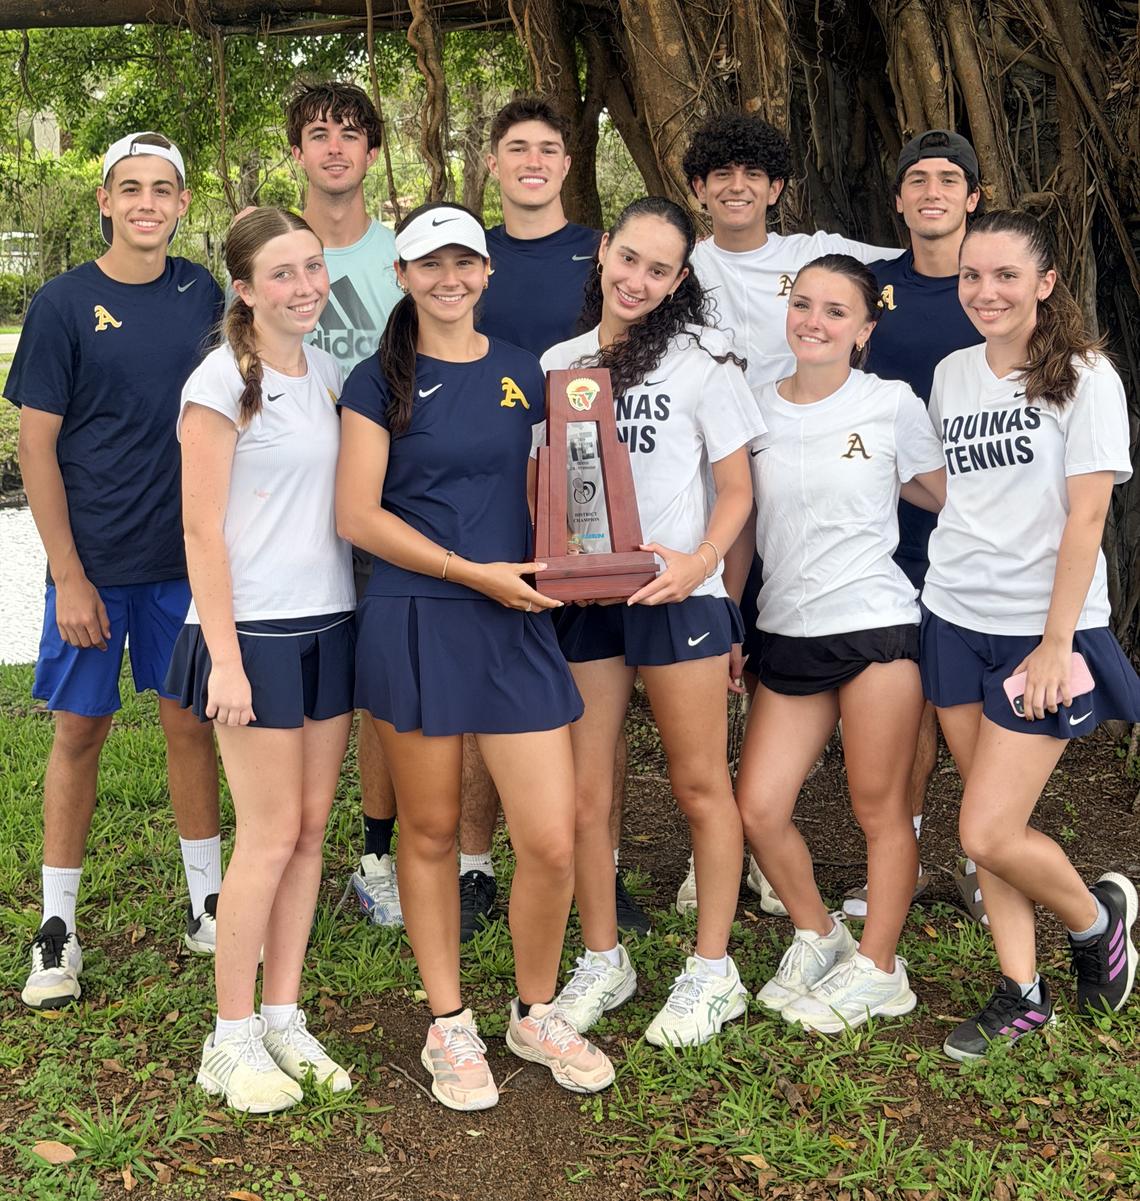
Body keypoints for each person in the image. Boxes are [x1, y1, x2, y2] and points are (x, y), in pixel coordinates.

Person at [336, 201, 614, 1110]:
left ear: (486, 272)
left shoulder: (521, 374)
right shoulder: (377, 380)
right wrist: (472, 572)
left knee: (550, 835)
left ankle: (533, 1010)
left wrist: (582, 558)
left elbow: (566, 485)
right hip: (419, 612)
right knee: (428, 831)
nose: (448, 278)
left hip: (513, 620)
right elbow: (358, 516)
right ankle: (449, 1023)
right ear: (404, 276)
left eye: (464, 262)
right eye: (429, 264)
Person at [6, 132, 223, 1010]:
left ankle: (208, 902)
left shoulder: (201, 291)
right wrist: (68, 573)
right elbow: (36, 445)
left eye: (162, 189)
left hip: (182, 567)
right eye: (129, 188)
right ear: (104, 201)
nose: (145, 202)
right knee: (80, 733)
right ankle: (56, 926)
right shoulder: (62, 304)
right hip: (93, 569)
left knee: (190, 729)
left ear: (179, 202)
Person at [921, 209, 1139, 1061]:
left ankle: (1096, 923)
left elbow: (1088, 517)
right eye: (973, 276)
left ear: (1046, 283)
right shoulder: (950, 374)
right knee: (987, 822)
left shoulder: (1088, 377)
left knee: (985, 831)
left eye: (1007, 275)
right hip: (953, 615)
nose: (986, 292)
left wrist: (1058, 644)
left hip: (1042, 633)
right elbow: (968, 494)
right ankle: (1021, 992)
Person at [544, 196, 763, 1046]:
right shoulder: (562, 362)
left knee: (700, 783)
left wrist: (697, 564)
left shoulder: (705, 360)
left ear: (680, 281)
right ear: (604, 251)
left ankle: (713, 971)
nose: (637, 279)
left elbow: (739, 491)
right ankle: (604, 957)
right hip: (590, 600)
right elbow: (554, 491)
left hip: (680, 597)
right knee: (587, 792)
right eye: (628, 258)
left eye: (659, 269)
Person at [678, 111, 903, 917]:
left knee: (791, 652)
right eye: (719, 174)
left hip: (817, 489)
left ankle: (795, 853)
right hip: (722, 489)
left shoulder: (810, 257)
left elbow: (915, 258)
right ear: (699, 187)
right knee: (729, 663)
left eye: (753, 174)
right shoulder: (683, 265)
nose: (737, 187)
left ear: (776, 187)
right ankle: (725, 850)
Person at [170, 207, 355, 1112]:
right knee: (271, 832)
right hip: (254, 636)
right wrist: (226, 659)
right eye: (282, 273)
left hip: (332, 620)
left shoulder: (327, 373)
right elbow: (200, 530)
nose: (305, 287)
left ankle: (282, 1014)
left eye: (313, 268)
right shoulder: (218, 383)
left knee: (313, 829)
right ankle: (229, 1035)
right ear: (244, 288)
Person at [734, 254, 946, 1032]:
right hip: (785, 630)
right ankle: (820, 932)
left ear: (864, 329)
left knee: (879, 808)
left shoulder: (890, 403)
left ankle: (881, 969)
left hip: (875, 625)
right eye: (804, 304)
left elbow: (944, 498)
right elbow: (742, 531)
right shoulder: (753, 409)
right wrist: (731, 622)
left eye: (834, 311)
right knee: (757, 808)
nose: (814, 322)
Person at [459, 98, 649, 940]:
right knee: (485, 679)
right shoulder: (470, 256)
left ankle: (599, 869)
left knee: (594, 694)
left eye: (547, 148)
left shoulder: (600, 254)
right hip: (496, 491)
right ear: (492, 162)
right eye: (515, 148)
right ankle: (473, 866)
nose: (532, 160)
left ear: (570, 163)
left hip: (593, 502)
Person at [843, 129, 986, 924]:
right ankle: (901, 850)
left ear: (972, 198)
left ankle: (981, 856)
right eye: (917, 179)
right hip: (885, 526)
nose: (932, 191)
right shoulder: (872, 287)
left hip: (982, 526)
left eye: (949, 180)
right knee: (907, 699)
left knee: (974, 697)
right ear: (897, 199)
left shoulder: (993, 285)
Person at [286, 81, 405, 928]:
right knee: (294, 689)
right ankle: (284, 849)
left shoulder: (402, 257)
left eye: (351, 134)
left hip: (386, 501)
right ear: (296, 151)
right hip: (287, 510)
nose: (334, 148)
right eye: (319, 134)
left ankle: (374, 856)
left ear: (370, 153)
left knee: (383, 688)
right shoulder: (273, 250)